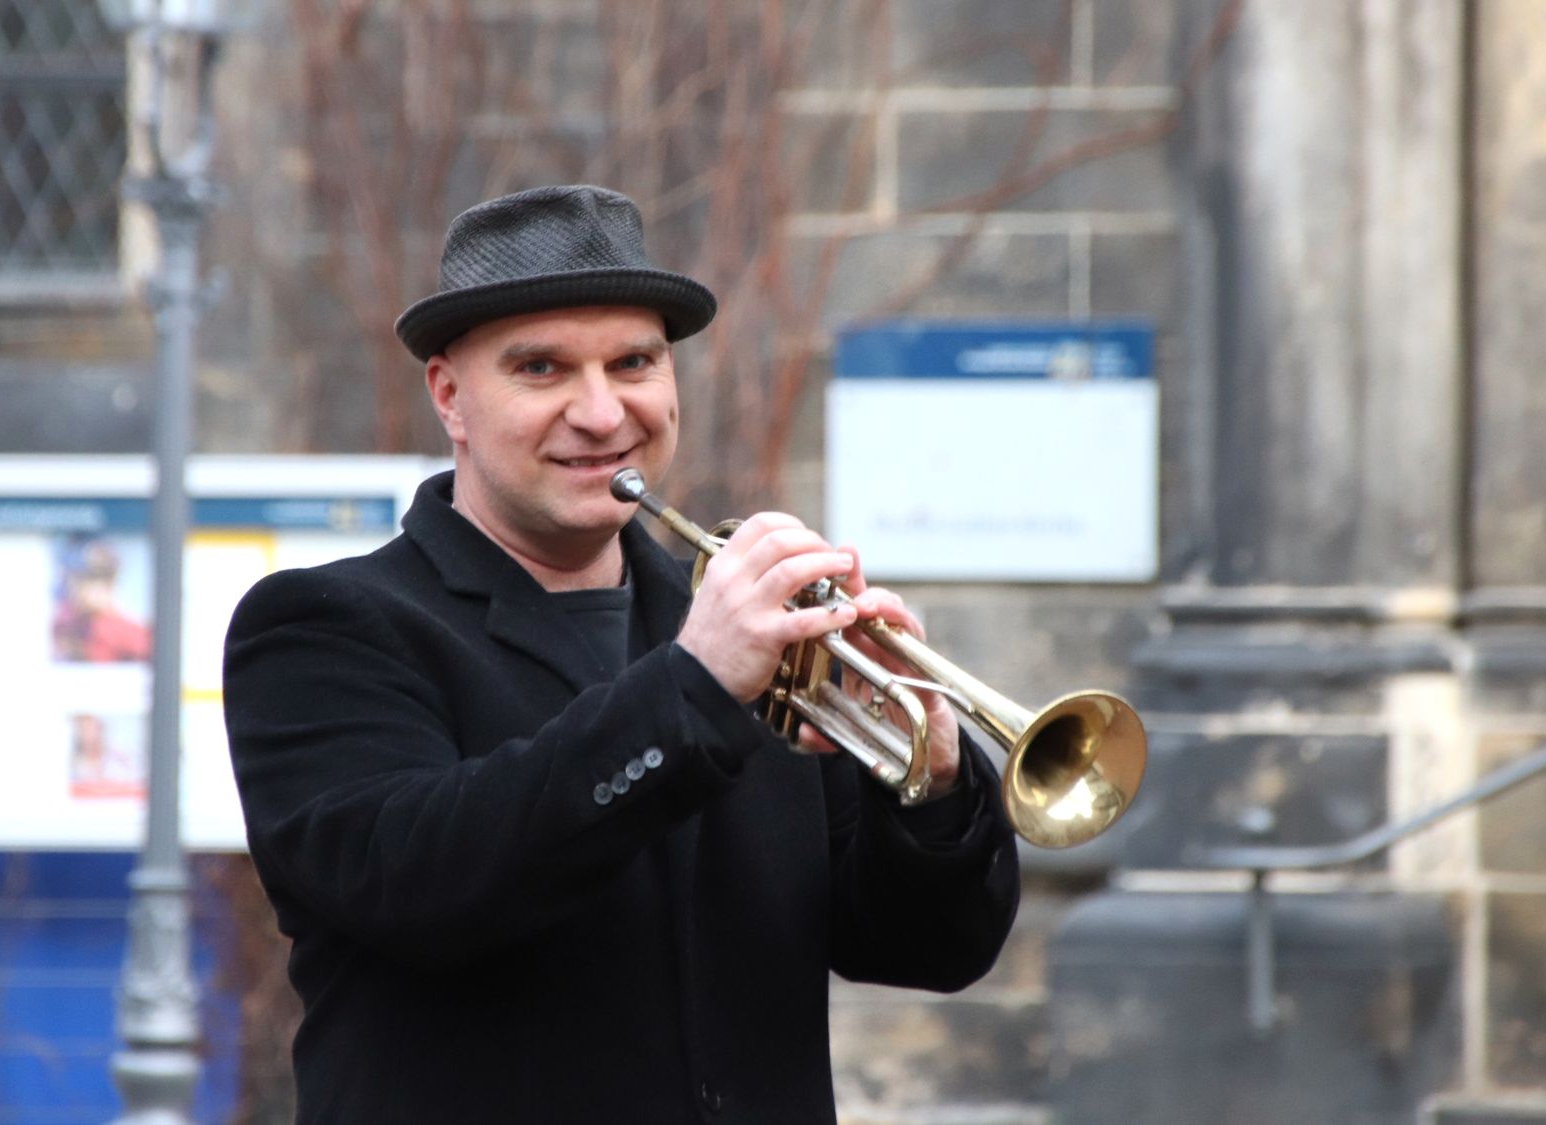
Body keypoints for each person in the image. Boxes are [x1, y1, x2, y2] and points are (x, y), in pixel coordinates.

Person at [223, 184, 1021, 1124]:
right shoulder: (323, 627)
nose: (603, 413)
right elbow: (424, 885)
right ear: (450, 396)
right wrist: (693, 689)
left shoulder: (743, 637)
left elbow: (931, 950)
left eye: (634, 362)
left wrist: (927, 786)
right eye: (542, 369)